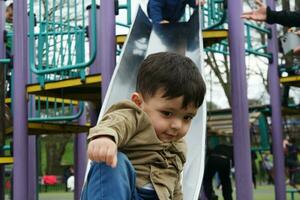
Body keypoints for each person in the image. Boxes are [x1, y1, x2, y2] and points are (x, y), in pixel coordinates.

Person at [81, 52, 206, 200]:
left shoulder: (178, 148)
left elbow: (175, 187)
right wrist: (105, 137)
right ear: (139, 103)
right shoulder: (134, 118)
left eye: (187, 117)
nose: (177, 125)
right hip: (121, 193)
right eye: (167, 113)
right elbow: (117, 122)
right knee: (112, 161)